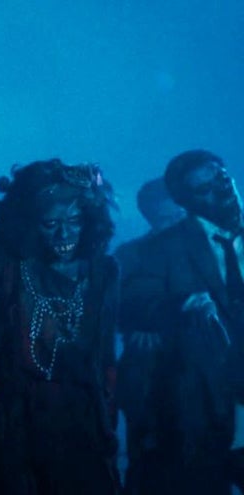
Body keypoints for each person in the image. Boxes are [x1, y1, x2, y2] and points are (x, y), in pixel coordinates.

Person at [0, 159, 120, 495]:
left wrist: (106, 413)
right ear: (29, 223)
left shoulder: (103, 271)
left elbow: (105, 354)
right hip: (18, 416)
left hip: (80, 415)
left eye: (74, 221)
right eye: (50, 223)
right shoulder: (6, 261)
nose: (64, 234)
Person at [119, 150, 243, 494]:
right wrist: (180, 305)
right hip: (208, 402)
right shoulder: (160, 249)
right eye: (204, 189)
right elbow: (132, 303)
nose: (221, 191)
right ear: (187, 202)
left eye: (222, 179)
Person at [110, 177, 184, 493]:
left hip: (200, 370)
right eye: (165, 218)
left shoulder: (209, 250)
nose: (173, 224)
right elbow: (111, 307)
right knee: (146, 456)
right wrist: (138, 322)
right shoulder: (130, 255)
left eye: (178, 215)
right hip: (147, 371)